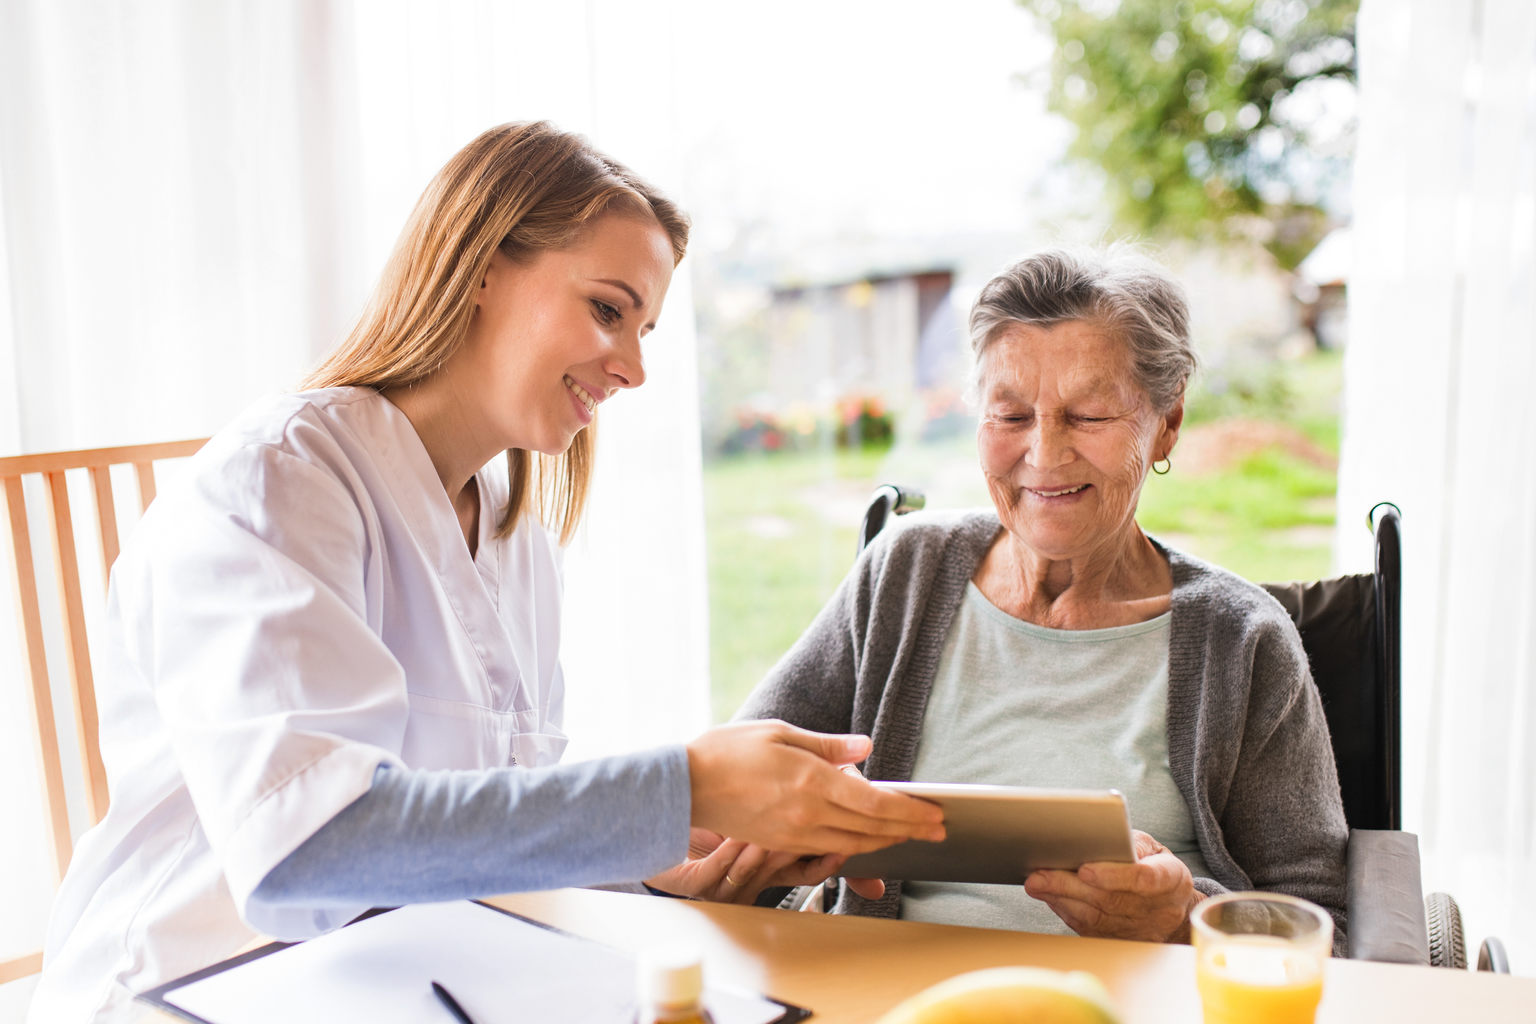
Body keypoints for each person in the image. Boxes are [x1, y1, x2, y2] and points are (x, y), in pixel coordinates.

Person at [29, 122, 943, 1024]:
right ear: (477, 268)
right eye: (607, 309)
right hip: (186, 993)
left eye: (646, 328)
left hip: (397, 986)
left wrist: (665, 858)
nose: (633, 368)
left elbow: (470, 831)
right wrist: (681, 788)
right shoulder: (278, 482)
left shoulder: (514, 539)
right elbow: (306, 852)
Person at [737, 246, 1348, 948]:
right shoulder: (905, 571)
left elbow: (1330, 924)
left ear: (1167, 422)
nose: (1045, 454)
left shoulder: (1243, 640)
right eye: (1011, 414)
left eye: (1087, 415)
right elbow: (741, 788)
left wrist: (1184, 922)